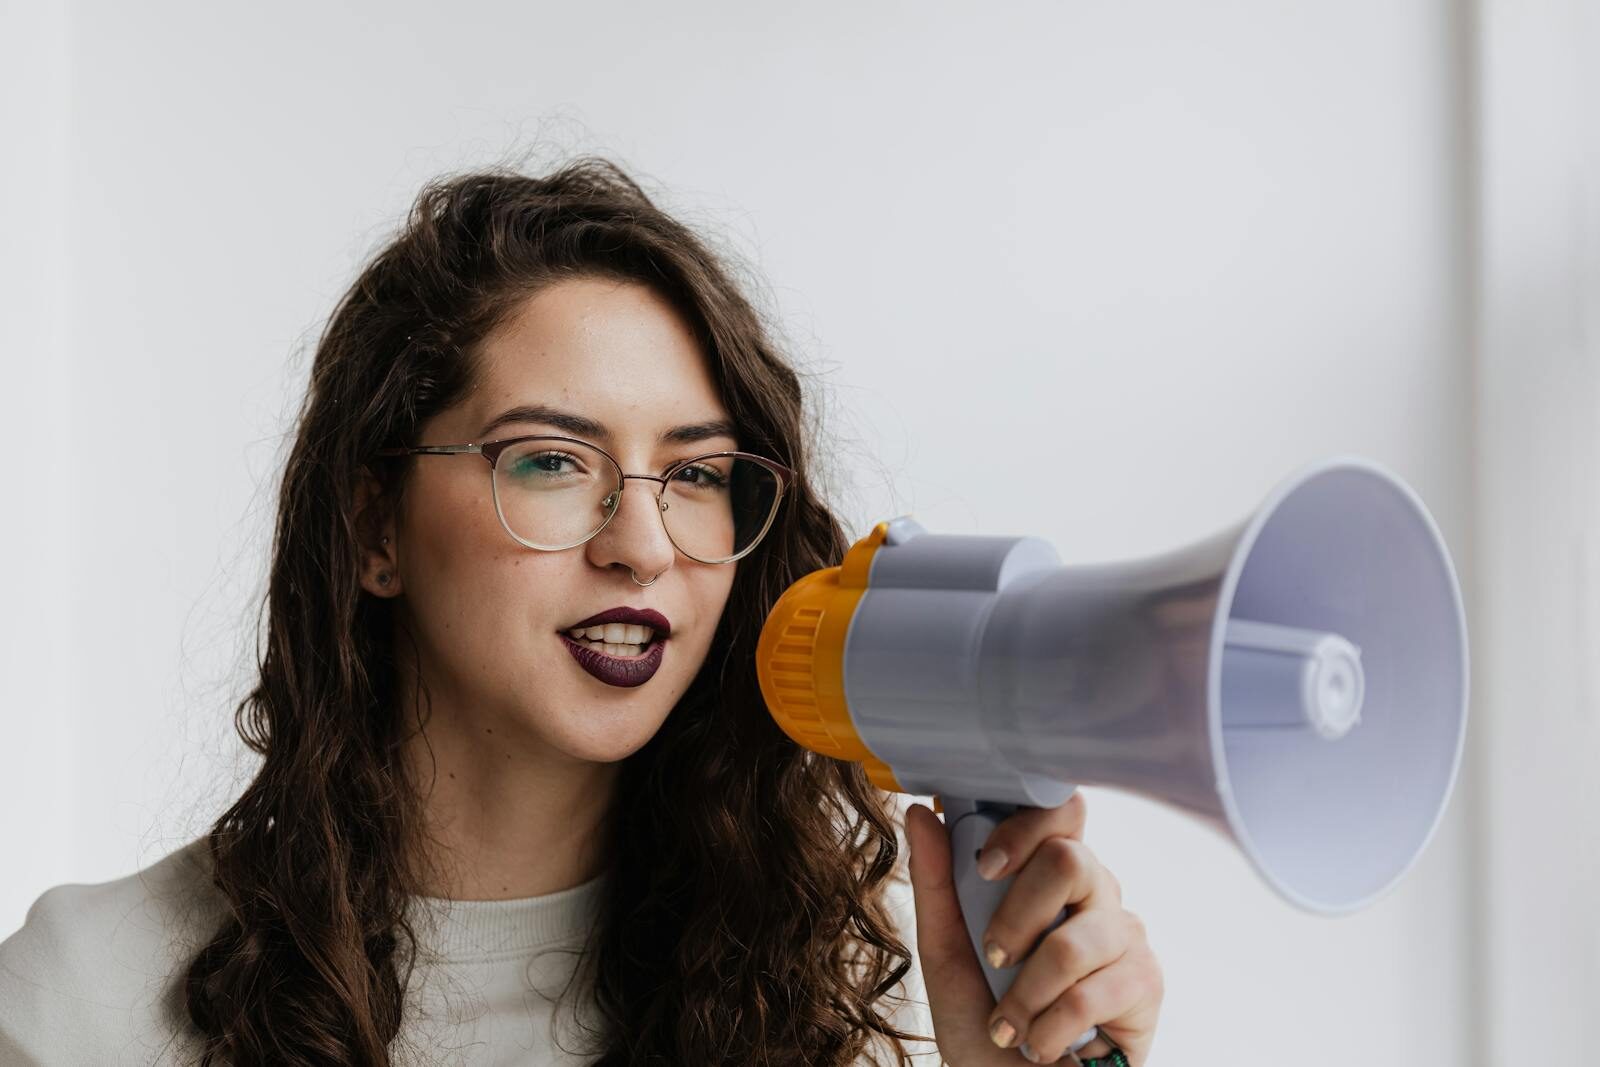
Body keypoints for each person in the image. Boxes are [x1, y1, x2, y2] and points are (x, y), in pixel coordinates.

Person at [0, 157, 1163, 1065]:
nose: (644, 544)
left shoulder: (872, 994)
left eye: (698, 474)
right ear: (374, 530)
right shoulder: (91, 1001)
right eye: (553, 460)